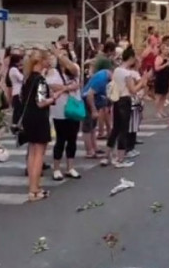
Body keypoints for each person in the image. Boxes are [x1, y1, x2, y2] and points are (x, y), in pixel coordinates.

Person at [20, 48, 62, 202]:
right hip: (39, 118)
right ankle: (34, 189)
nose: (49, 61)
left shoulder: (28, 78)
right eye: (47, 59)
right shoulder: (40, 80)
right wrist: (54, 98)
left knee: (32, 152)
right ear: (40, 61)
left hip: (28, 118)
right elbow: (41, 102)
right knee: (39, 154)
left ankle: (33, 187)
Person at [101, 47, 150, 168]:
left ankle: (107, 156)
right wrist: (142, 82)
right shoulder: (127, 73)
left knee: (115, 129)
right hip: (125, 100)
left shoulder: (117, 70)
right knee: (123, 130)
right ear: (132, 58)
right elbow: (133, 90)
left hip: (117, 100)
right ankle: (120, 158)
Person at [45, 45, 82, 181]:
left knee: (72, 139)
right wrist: (68, 88)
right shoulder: (52, 72)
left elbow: (77, 85)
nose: (63, 58)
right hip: (59, 110)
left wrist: (61, 55)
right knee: (61, 139)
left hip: (74, 108)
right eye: (61, 55)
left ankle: (70, 167)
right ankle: (56, 168)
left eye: (65, 55)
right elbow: (51, 86)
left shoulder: (74, 69)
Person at [81, 69, 111, 159]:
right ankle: (89, 151)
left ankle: (95, 147)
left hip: (95, 101)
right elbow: (90, 95)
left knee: (93, 127)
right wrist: (94, 110)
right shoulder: (102, 79)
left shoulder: (105, 77)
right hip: (88, 101)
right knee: (87, 127)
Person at [6, 54, 24, 132]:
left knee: (18, 110)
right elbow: (21, 78)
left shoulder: (14, 69)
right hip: (18, 91)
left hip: (17, 91)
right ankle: (16, 125)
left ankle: (17, 125)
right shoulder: (13, 69)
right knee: (18, 110)